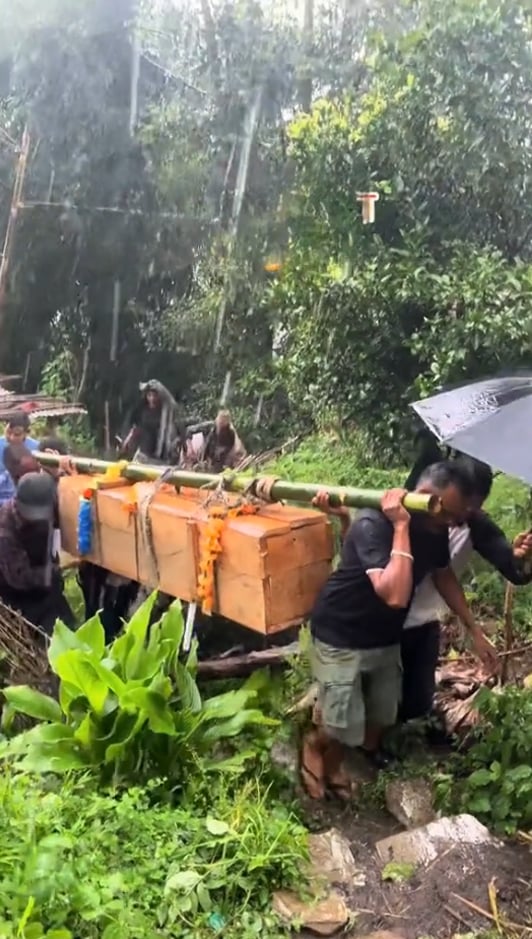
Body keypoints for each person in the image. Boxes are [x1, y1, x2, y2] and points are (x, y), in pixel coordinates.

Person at [302, 462, 495, 801]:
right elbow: (394, 594)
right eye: (449, 514)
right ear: (425, 496)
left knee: (381, 714)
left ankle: (334, 763)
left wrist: (474, 629)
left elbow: (443, 574)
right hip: (341, 632)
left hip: (384, 636)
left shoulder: (436, 529)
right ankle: (313, 746)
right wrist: (402, 526)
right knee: (341, 722)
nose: (453, 524)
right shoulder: (373, 523)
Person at [400, 454, 532, 722]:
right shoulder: (411, 513)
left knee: (417, 702)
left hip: (425, 621)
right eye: (463, 504)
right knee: (380, 698)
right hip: (387, 617)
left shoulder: (475, 525)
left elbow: (513, 569)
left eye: (473, 507)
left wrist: (523, 558)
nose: (462, 515)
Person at [0, 472, 75, 633]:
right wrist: (56, 569)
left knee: (69, 632)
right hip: (18, 597)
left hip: (47, 588)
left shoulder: (49, 503)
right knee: (47, 639)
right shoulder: (5, 532)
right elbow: (19, 578)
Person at [121, 380, 182, 464]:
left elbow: (178, 428)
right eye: (149, 395)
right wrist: (129, 439)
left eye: (154, 396)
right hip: (146, 448)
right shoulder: (143, 410)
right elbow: (138, 427)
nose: (152, 399)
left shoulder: (166, 413)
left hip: (162, 449)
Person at [0, 413, 39, 504]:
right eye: (9, 432)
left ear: (26, 433)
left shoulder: (36, 449)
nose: (11, 437)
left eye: (17, 434)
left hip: (24, 500)